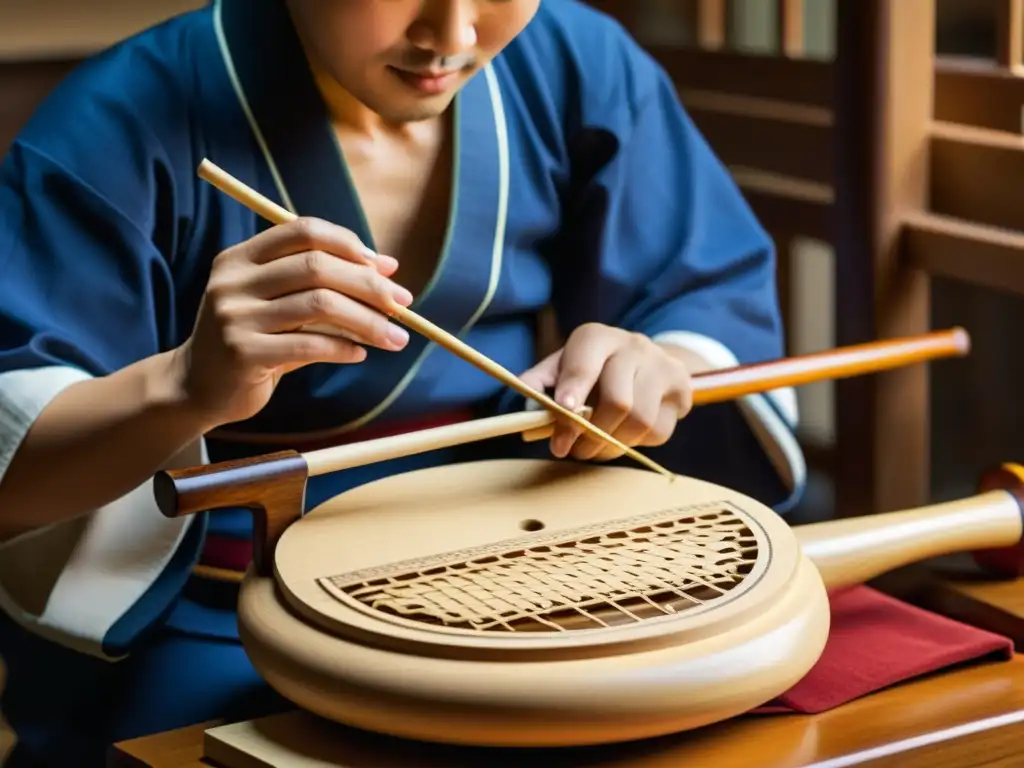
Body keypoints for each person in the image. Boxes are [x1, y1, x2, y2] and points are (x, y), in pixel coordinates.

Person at [0, 0, 805, 764]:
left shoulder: (573, 57)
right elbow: (15, 471)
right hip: (222, 599)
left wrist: (655, 365)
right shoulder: (120, 115)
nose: (451, 31)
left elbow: (703, 299)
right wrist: (186, 384)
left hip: (517, 562)